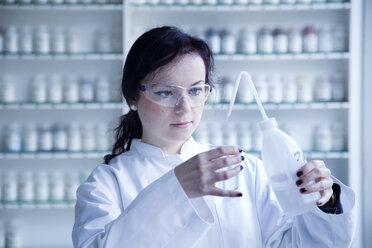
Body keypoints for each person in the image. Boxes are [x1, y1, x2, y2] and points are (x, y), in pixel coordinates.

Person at [72, 26, 355, 248]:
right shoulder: (106, 183)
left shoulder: (244, 169)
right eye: (165, 92)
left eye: (196, 90)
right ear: (133, 96)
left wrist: (326, 203)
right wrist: (178, 188)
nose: (185, 107)